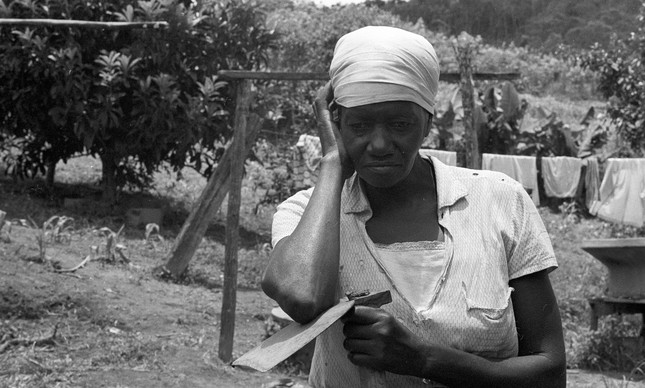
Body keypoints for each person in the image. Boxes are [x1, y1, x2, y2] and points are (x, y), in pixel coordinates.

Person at [262, 26, 566, 388]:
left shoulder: (499, 200)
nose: (379, 144)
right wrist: (332, 162)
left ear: (428, 125)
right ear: (336, 123)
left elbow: (549, 374)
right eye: (359, 125)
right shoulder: (306, 215)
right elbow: (302, 297)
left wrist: (423, 358)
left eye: (400, 124)